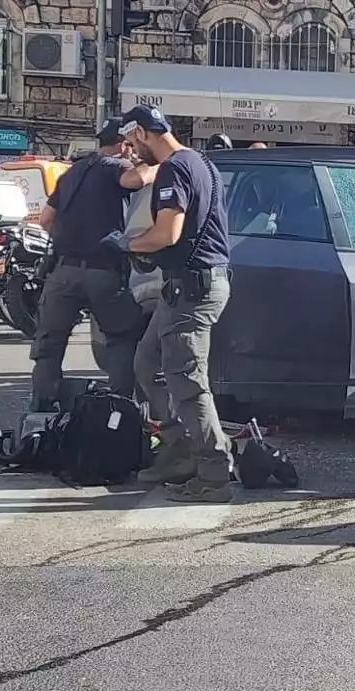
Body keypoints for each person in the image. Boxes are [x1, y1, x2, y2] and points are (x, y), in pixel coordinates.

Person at [116, 104, 234, 503]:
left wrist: (128, 245)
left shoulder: (172, 169)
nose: (132, 153)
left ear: (146, 134)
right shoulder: (201, 162)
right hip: (187, 286)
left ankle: (214, 475)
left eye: (133, 144)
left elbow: (167, 232)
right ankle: (181, 449)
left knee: (188, 384)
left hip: (192, 291)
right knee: (148, 363)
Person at [28, 117, 156, 411]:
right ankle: (119, 409)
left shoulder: (72, 172)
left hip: (63, 271)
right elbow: (136, 180)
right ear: (124, 146)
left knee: (49, 347)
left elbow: (46, 219)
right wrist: (157, 162)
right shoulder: (118, 167)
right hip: (103, 272)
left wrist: (70, 239)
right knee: (121, 338)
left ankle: (42, 410)